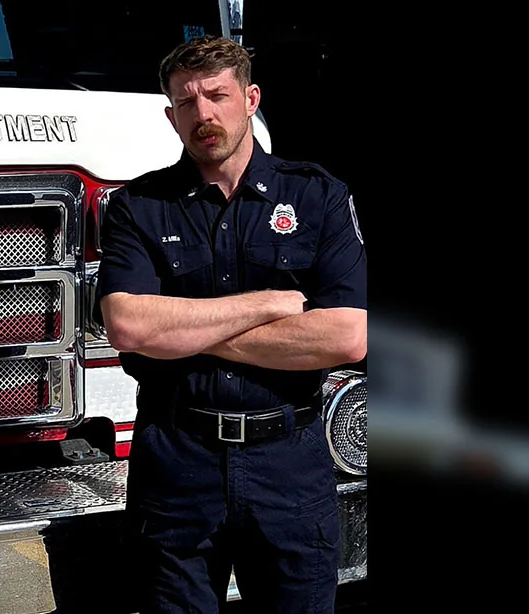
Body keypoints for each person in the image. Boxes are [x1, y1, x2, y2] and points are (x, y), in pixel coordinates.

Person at [94, 35, 367, 613]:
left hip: (288, 463)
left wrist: (187, 333)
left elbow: (345, 336)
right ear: (171, 116)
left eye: (217, 95)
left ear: (251, 100)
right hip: (177, 463)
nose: (204, 114)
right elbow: (130, 328)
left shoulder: (318, 197)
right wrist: (271, 303)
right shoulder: (138, 207)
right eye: (187, 103)